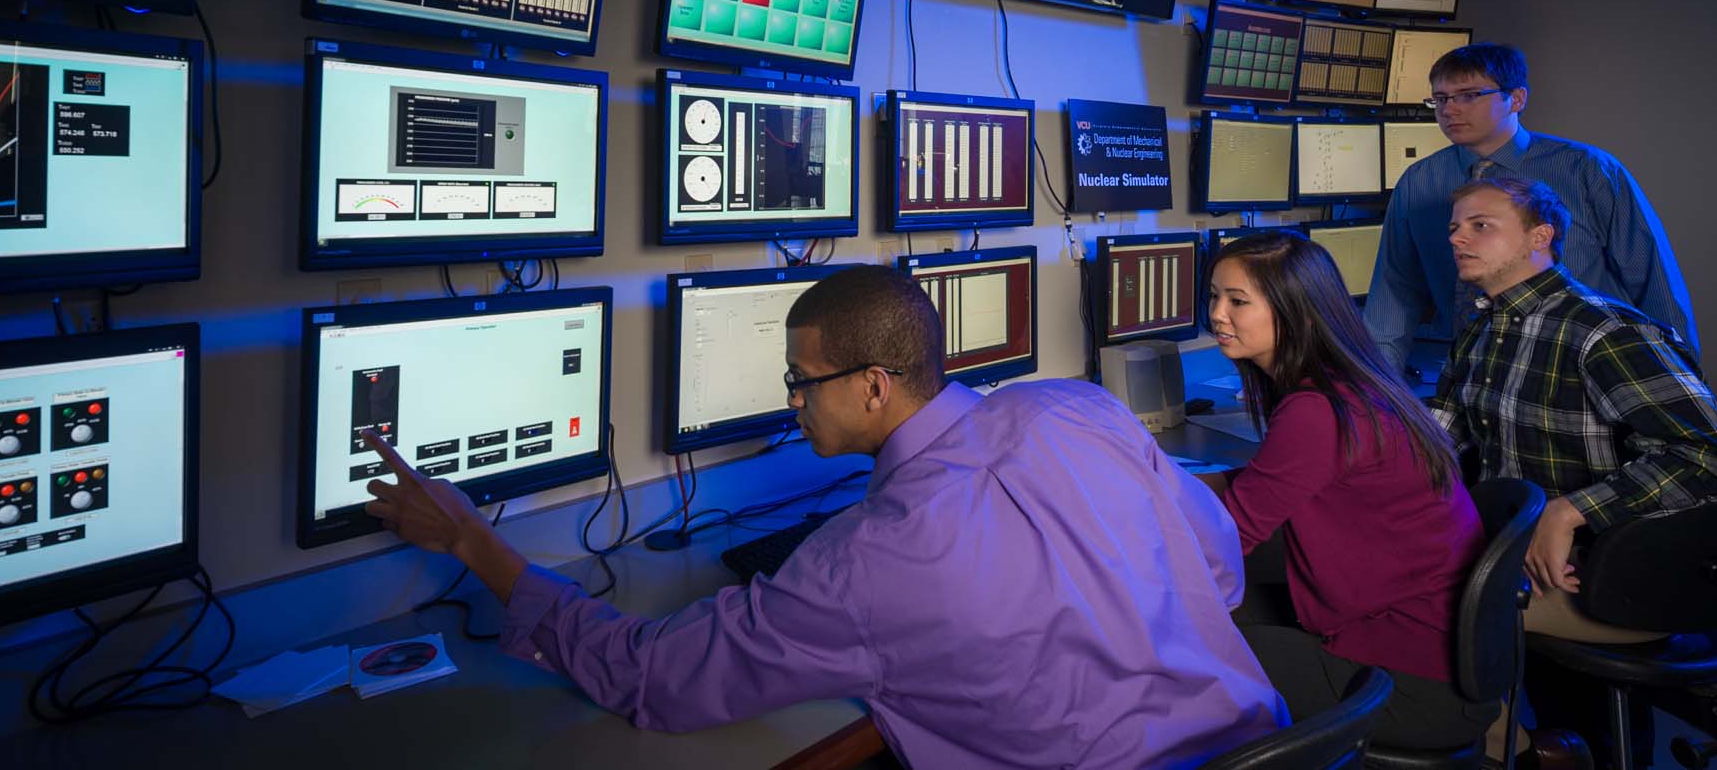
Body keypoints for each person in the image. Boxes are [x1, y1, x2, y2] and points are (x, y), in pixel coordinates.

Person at [362, 265, 1288, 769]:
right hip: (1273, 748)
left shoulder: (867, 563)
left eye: (802, 382)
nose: (792, 403)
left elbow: (657, 681)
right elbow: (1216, 568)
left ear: (876, 387)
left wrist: (472, 543)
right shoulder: (1078, 410)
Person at [1434, 177, 1717, 764]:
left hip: (1606, 569)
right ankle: (1536, 747)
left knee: (1428, 602)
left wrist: (1570, 509)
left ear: (1541, 237)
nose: (1458, 236)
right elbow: (1440, 442)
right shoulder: (1484, 331)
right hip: (1520, 553)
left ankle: (1533, 751)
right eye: (1456, 226)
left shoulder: (1601, 332)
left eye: (1481, 225)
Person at [1196, 230, 1497, 751]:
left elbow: (1224, 542)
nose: (1217, 314)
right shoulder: (1347, 382)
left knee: (1167, 640)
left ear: (1299, 313)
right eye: (1214, 297)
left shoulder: (1317, 411)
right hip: (1440, 654)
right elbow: (1259, 485)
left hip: (1406, 685)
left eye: (1237, 301)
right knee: (1224, 606)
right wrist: (1151, 483)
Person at [1364, 42, 1698, 376]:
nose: (1449, 110)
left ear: (1517, 98)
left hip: (1580, 369)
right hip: (1475, 372)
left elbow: (1653, 281)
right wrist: (1377, 389)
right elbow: (1395, 290)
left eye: (1468, 95)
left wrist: (1680, 377)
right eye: (1440, 99)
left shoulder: (1586, 170)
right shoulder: (1419, 181)